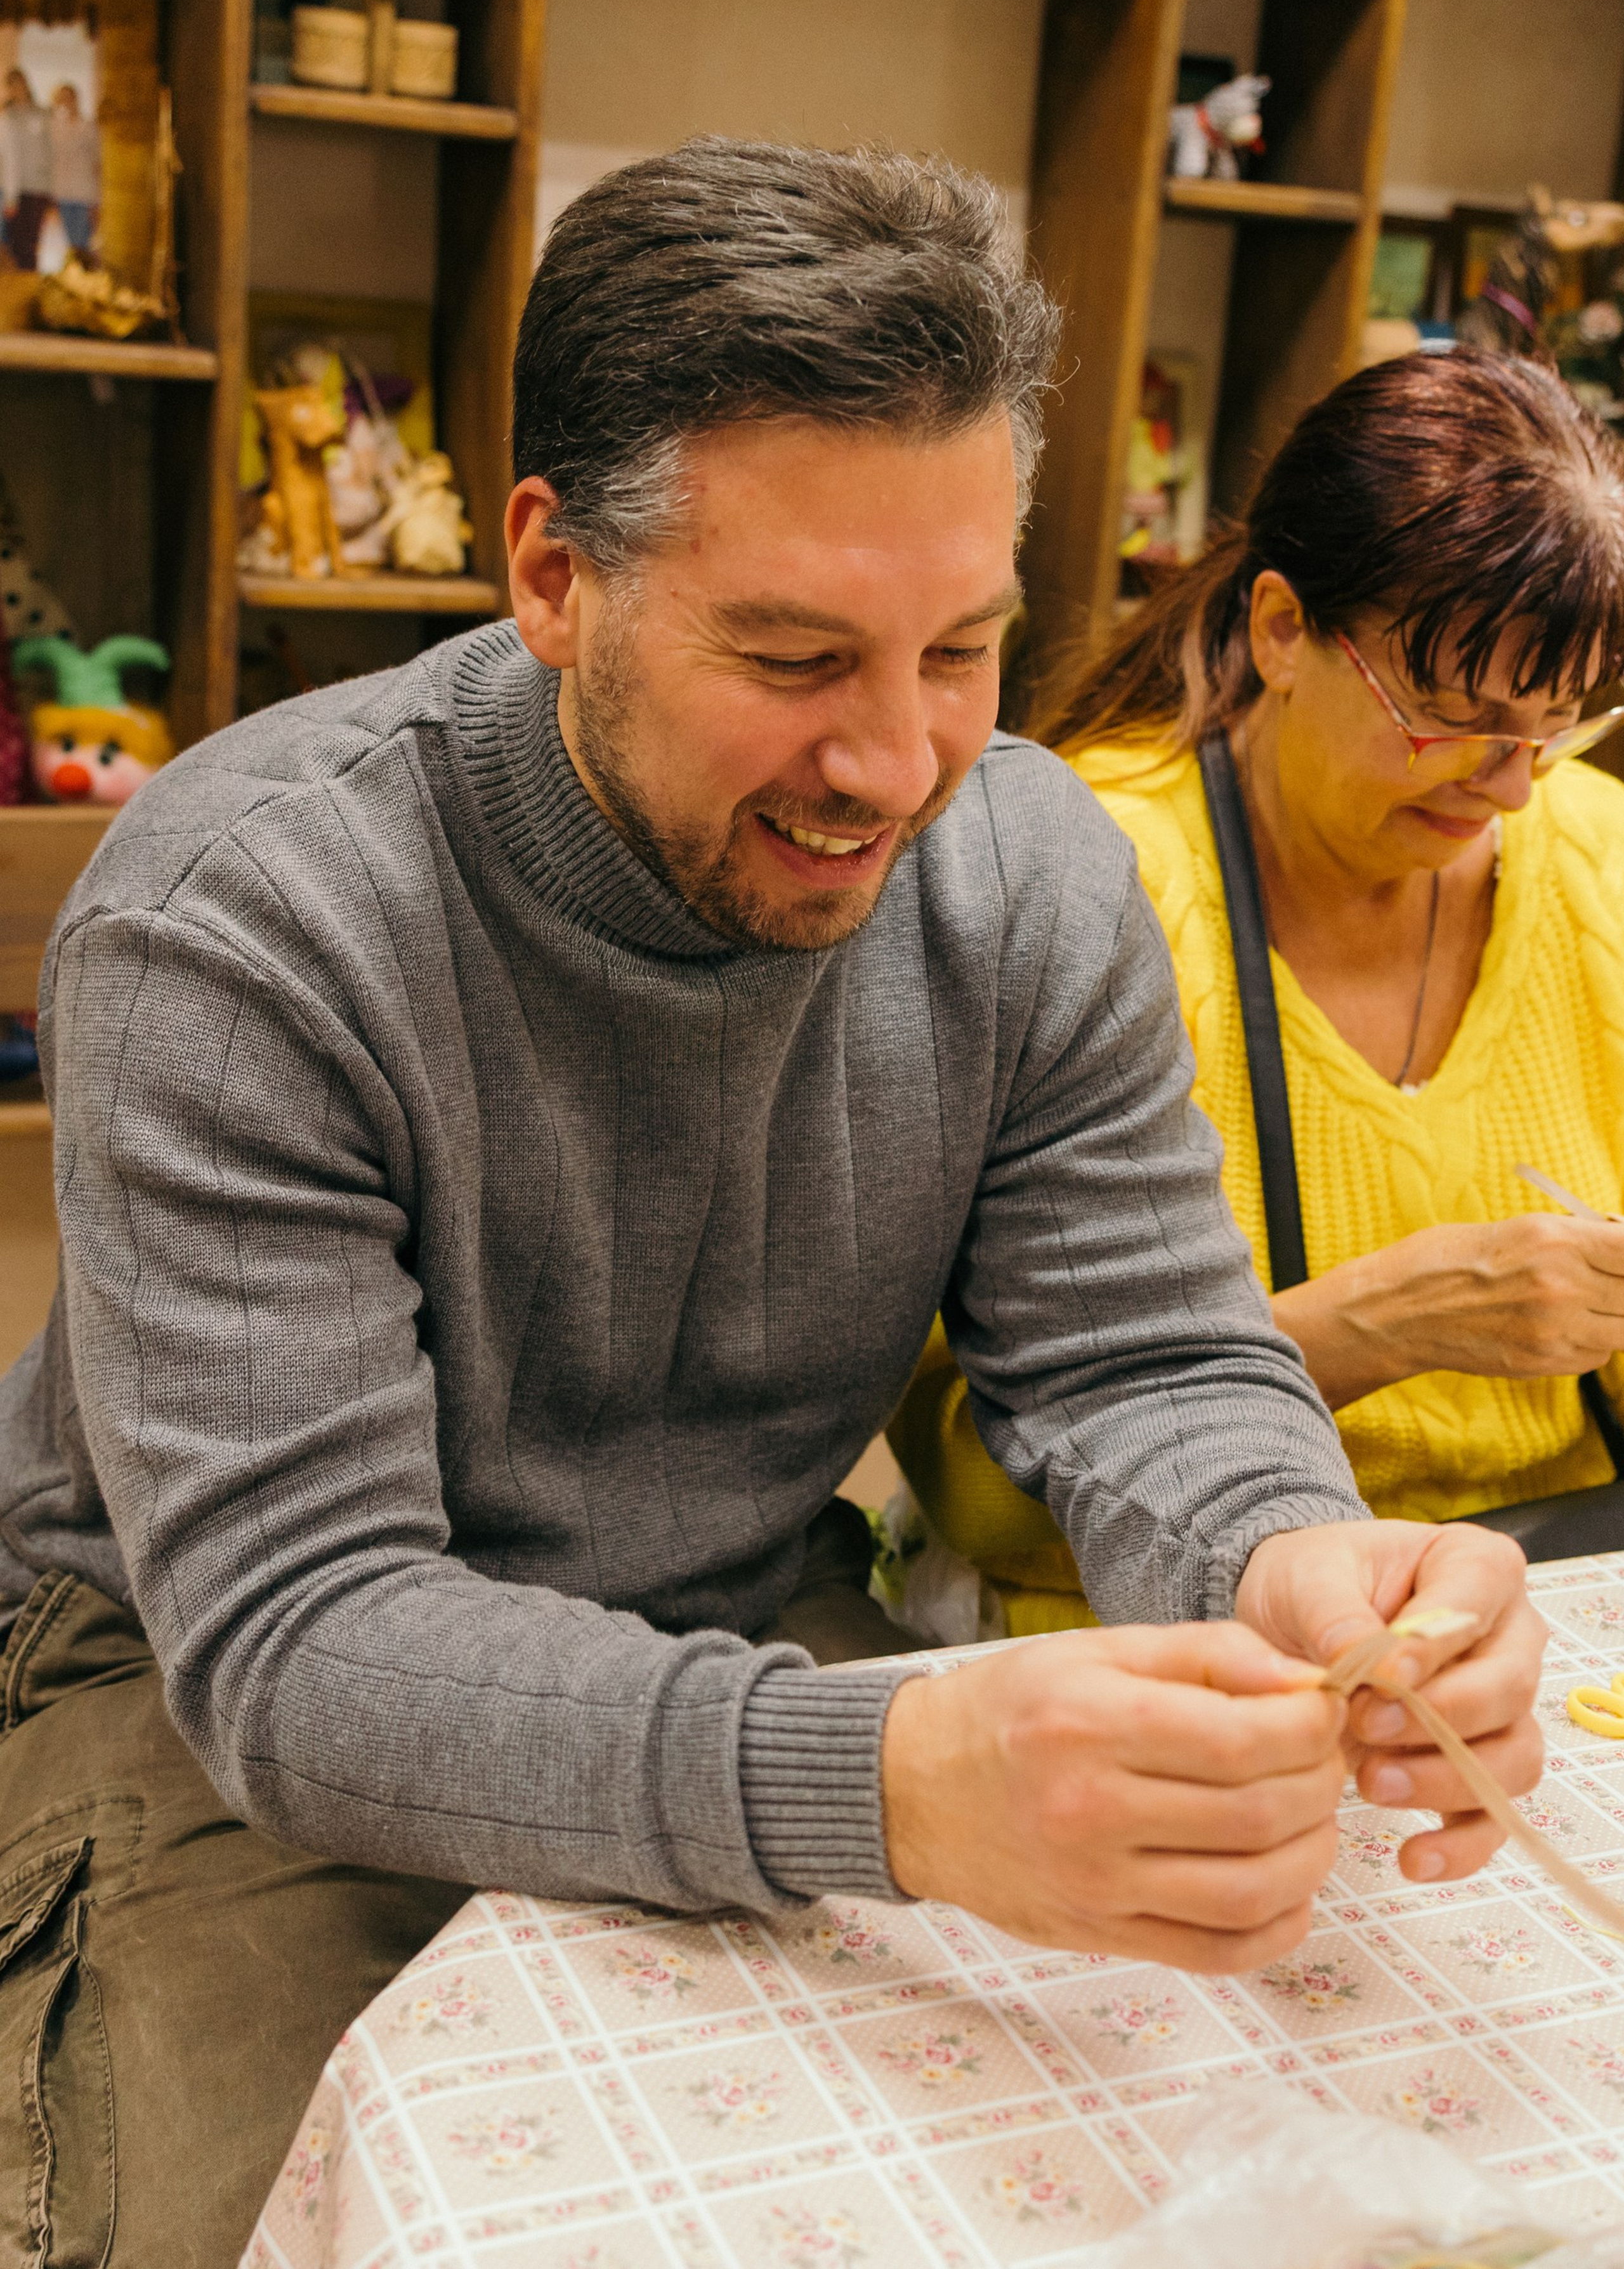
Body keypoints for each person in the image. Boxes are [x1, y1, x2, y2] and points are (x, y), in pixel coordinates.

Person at [0, 145, 1542, 2265]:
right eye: (798, 655)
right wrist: (897, 1780)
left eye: (965, 648)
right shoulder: (244, 917)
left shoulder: (1030, 872)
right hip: (208, 1691)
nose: (898, 764)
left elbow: (1147, 1355)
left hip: (738, 1603)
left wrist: (1294, 1553)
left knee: (1107, 2155)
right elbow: (303, 1637)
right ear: (554, 574)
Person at [893, 347, 1624, 1631]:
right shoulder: (1086, 887)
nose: (1511, 788)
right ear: (1282, 630)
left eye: (1551, 726)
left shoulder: (1597, 862)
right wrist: (1379, 1326)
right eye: (1452, 717)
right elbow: (975, 1478)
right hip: (1157, 1628)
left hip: (1557, 1591)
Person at [0, 67, 51, 271]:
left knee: (31, 241)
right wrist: (10, 195)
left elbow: (50, 150)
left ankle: (30, 281)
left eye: (19, 84)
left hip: (37, 186)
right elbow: (9, 158)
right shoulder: (7, 117)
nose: (16, 89)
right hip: (13, 187)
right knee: (16, 243)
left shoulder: (42, 114)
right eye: (11, 85)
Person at [49, 82, 100, 259]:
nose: (66, 103)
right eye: (62, 99)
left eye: (69, 98)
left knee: (83, 241)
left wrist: (98, 196)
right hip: (63, 191)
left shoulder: (88, 126)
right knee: (72, 242)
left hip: (85, 192)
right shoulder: (55, 127)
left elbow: (97, 161)